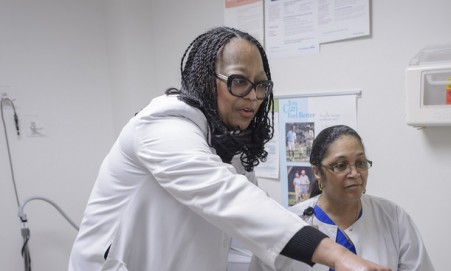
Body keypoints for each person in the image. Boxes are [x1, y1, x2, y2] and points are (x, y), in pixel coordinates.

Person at [68, 27, 391, 271]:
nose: (253, 96)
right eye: (239, 81)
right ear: (207, 80)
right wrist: (339, 256)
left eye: (261, 84)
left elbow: (242, 235)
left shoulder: (229, 145)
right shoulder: (161, 126)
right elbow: (229, 197)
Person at [250, 125, 435, 271]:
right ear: (317, 172)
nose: (354, 173)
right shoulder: (289, 225)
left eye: (360, 163)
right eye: (341, 165)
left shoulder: (392, 217)